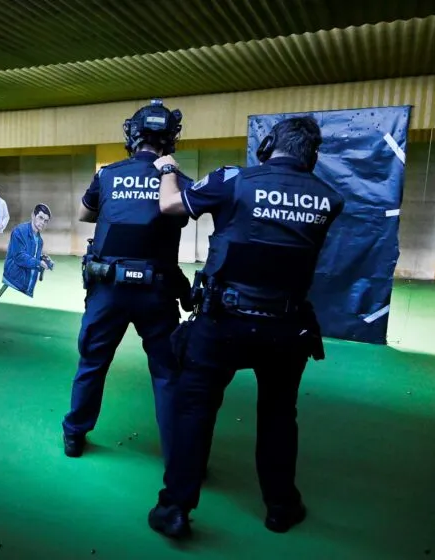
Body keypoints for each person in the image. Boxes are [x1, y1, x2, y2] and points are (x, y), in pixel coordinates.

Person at [148, 116, 345, 539]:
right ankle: (281, 508)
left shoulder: (233, 180)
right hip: (287, 327)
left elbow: (170, 206)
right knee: (278, 415)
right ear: (312, 156)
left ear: (268, 144)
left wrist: (167, 169)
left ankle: (175, 508)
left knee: (194, 408)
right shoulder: (330, 198)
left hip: (223, 322)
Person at [61, 99, 195, 461]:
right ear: (171, 138)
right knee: (166, 374)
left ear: (132, 135)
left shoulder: (107, 175)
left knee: (92, 364)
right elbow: (184, 214)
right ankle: (177, 454)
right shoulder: (177, 180)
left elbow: (85, 214)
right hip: (158, 293)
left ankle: (75, 435)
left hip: (108, 290)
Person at [1, 204, 52, 298]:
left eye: (46, 221)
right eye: (40, 218)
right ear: (33, 215)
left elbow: (32, 256)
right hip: (14, 280)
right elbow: (19, 257)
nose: (42, 223)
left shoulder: (40, 241)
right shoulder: (19, 231)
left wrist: (42, 259)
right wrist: (39, 262)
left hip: (27, 286)